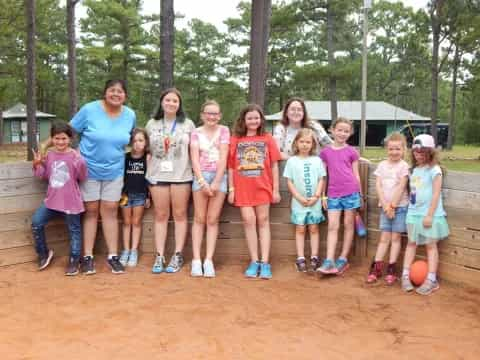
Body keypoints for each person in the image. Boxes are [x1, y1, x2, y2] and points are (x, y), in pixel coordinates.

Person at [71, 79, 136, 275]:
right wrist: (49, 149)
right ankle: (88, 256)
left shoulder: (130, 115)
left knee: (110, 210)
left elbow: (132, 139)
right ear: (105, 92)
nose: (116, 94)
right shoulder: (89, 110)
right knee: (91, 211)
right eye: (112, 90)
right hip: (88, 169)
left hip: (115, 171)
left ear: (125, 95)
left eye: (120, 91)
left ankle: (112, 256)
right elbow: (69, 131)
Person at [228, 104, 281, 279]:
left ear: (261, 119)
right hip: (242, 188)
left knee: (263, 221)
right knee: (248, 221)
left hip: (263, 186)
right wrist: (231, 189)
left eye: (256, 118)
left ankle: (265, 262)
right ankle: (254, 261)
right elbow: (230, 167)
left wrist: (275, 189)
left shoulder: (267, 138)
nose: (253, 121)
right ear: (244, 120)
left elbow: (274, 164)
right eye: (250, 118)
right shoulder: (236, 139)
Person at [146, 88, 195, 274]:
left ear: (179, 104)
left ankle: (177, 254)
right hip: (158, 175)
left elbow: (195, 150)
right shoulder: (152, 124)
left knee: (180, 214)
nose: (171, 103)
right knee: (160, 215)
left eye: (175, 101)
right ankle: (159, 255)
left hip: (181, 175)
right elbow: (147, 150)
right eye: (168, 100)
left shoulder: (188, 124)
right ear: (161, 102)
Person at [31, 122, 87, 275]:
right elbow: (44, 175)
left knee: (74, 231)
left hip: (71, 202)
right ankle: (43, 254)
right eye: (57, 139)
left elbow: (81, 177)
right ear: (52, 139)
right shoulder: (49, 155)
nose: (60, 142)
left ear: (69, 139)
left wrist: (80, 162)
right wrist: (37, 164)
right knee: (36, 222)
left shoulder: (75, 156)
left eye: (63, 138)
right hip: (52, 201)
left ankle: (74, 261)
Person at [401, 134, 449, 295]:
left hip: (429, 215)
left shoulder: (434, 170)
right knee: (411, 243)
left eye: (422, 152)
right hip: (413, 214)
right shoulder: (413, 170)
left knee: (430, 245)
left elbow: (436, 194)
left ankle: (431, 279)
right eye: (416, 152)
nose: (419, 155)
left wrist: (429, 215)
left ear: (431, 152)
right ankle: (405, 275)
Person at [317, 117, 362, 275]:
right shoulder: (325, 153)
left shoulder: (352, 151)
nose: (342, 133)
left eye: (346, 131)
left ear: (350, 133)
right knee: (333, 226)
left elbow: (356, 175)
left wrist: (360, 195)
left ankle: (342, 259)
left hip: (351, 193)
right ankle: (329, 260)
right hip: (333, 194)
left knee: (349, 225)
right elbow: (323, 176)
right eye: (340, 130)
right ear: (332, 130)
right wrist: (323, 196)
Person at [190, 100, 230, 277]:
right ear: (202, 115)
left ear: (220, 115)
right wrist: (202, 181)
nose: (212, 116)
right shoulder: (195, 133)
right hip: (200, 178)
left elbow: (224, 157)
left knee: (213, 219)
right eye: (208, 113)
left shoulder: (224, 131)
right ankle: (196, 260)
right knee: (199, 218)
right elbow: (194, 159)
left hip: (219, 178)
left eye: (215, 113)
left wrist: (216, 181)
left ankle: (209, 260)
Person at [367, 132, 409, 284]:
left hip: (400, 207)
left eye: (397, 149)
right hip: (384, 207)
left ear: (403, 150)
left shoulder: (404, 166)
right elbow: (378, 185)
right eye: (391, 149)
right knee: (384, 238)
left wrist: (392, 206)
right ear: (387, 149)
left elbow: (402, 186)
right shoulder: (382, 165)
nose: (394, 152)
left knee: (396, 238)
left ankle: (391, 269)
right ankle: (376, 268)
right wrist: (385, 205)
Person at [283, 128, 326, 272]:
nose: (305, 145)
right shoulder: (292, 161)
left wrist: (316, 196)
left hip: (314, 202)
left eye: (308, 142)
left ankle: (314, 257)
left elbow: (321, 179)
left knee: (314, 228)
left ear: (313, 144)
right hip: (298, 202)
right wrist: (299, 197)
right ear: (296, 142)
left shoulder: (317, 160)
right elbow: (289, 182)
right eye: (302, 141)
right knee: (300, 229)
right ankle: (300, 258)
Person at [119, 128, 151, 268]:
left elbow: (149, 178)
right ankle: (125, 250)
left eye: (140, 140)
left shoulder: (148, 157)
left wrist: (149, 196)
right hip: (125, 195)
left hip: (140, 195)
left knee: (136, 222)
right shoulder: (125, 157)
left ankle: (134, 251)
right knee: (126, 222)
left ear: (145, 142)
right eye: (134, 140)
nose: (137, 144)